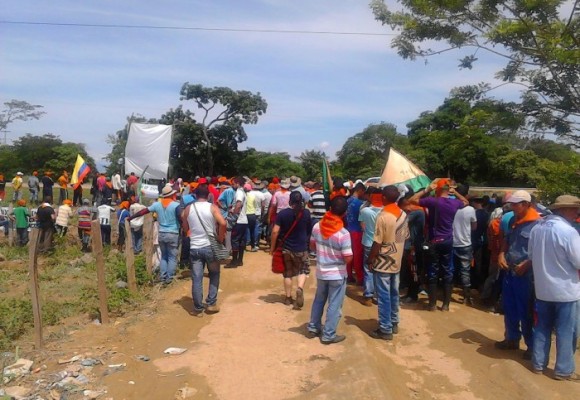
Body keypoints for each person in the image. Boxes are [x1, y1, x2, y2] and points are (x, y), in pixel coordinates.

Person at [528, 195, 580, 380]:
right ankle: (563, 370)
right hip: (566, 291)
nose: (577, 212)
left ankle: (538, 363)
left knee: (542, 327)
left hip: (543, 289)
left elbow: (531, 255)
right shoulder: (568, 231)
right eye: (574, 209)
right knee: (567, 331)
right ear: (563, 210)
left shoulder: (537, 228)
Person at [408, 178, 468, 311]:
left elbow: (411, 200)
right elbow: (466, 201)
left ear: (438, 189)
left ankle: (432, 304)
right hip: (448, 240)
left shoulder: (433, 201)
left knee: (432, 271)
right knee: (447, 271)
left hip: (434, 241)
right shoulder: (455, 203)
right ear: (448, 190)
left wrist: (427, 189)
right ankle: (446, 305)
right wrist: (455, 192)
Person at [495, 190, 540, 360]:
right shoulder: (514, 219)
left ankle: (531, 346)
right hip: (510, 270)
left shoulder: (537, 224)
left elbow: (539, 250)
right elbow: (507, 240)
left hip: (526, 274)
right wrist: (501, 254)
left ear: (526, 204)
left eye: (516, 204)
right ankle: (512, 339)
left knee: (526, 310)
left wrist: (528, 263)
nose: (513, 207)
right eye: (512, 204)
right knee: (510, 307)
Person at [366, 185, 409, 340]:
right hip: (397, 260)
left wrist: (370, 259)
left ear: (384, 198)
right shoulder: (403, 214)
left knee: (383, 295)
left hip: (383, 261)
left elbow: (377, 242)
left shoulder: (383, 216)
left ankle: (385, 329)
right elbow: (405, 237)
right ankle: (394, 321)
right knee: (394, 293)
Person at [307, 195, 352, 344]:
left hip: (321, 271)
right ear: (345, 213)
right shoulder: (343, 234)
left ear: (330, 209)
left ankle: (313, 327)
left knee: (319, 299)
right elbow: (347, 257)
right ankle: (328, 335)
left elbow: (312, 246)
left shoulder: (317, 226)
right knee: (334, 304)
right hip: (337, 274)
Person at [182, 185, 227, 316]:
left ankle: (197, 308)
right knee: (214, 274)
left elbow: (185, 225)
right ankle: (211, 303)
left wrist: (189, 233)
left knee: (197, 278)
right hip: (210, 246)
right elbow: (223, 223)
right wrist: (220, 238)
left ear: (195, 196)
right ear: (208, 196)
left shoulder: (188, 208)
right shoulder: (212, 207)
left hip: (195, 247)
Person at [128, 184, 181, 284]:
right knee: (172, 257)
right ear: (172, 194)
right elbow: (181, 218)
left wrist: (131, 218)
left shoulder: (157, 204)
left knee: (164, 256)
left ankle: (162, 277)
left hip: (161, 233)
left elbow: (144, 211)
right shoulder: (176, 205)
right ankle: (169, 279)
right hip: (173, 233)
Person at [270, 191, 313, 308]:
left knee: (287, 273)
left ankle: (288, 298)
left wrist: (272, 248)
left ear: (290, 201)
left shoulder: (282, 214)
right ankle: (299, 288)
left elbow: (275, 231)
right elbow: (309, 230)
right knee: (302, 271)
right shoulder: (306, 213)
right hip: (301, 248)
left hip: (286, 248)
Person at [358, 187, 385, 306]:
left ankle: (368, 296)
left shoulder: (365, 210)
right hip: (382, 244)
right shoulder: (386, 211)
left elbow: (362, 226)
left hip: (369, 243)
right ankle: (379, 297)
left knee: (368, 269)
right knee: (380, 269)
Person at [451, 184, 477, 305]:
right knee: (465, 271)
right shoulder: (471, 210)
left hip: (452, 242)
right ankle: (467, 297)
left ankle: (447, 294)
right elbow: (474, 226)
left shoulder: (451, 207)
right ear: (466, 195)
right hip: (465, 243)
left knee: (450, 269)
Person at [225, 177, 248, 268]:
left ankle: (234, 261)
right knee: (241, 241)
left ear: (238, 183)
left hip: (238, 220)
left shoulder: (238, 192)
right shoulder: (243, 192)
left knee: (234, 240)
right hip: (244, 220)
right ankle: (239, 260)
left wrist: (233, 212)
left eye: (233, 183)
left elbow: (238, 205)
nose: (232, 185)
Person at [345, 182, 365, 285]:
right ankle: (360, 278)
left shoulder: (348, 201)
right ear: (360, 190)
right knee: (358, 255)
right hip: (357, 231)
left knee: (349, 253)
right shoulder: (360, 204)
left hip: (348, 230)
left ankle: (349, 275)